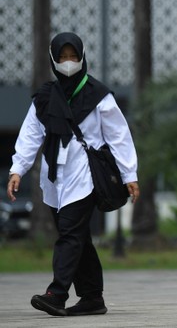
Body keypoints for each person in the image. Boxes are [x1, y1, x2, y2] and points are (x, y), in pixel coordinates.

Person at [6, 32, 140, 317]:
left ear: (82, 57)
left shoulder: (98, 95)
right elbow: (31, 134)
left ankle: (57, 293)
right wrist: (18, 169)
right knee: (78, 236)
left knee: (70, 233)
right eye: (63, 57)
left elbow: (119, 136)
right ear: (54, 59)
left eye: (73, 56)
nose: (68, 62)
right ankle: (92, 297)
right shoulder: (44, 97)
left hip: (86, 173)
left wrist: (130, 174)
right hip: (54, 176)